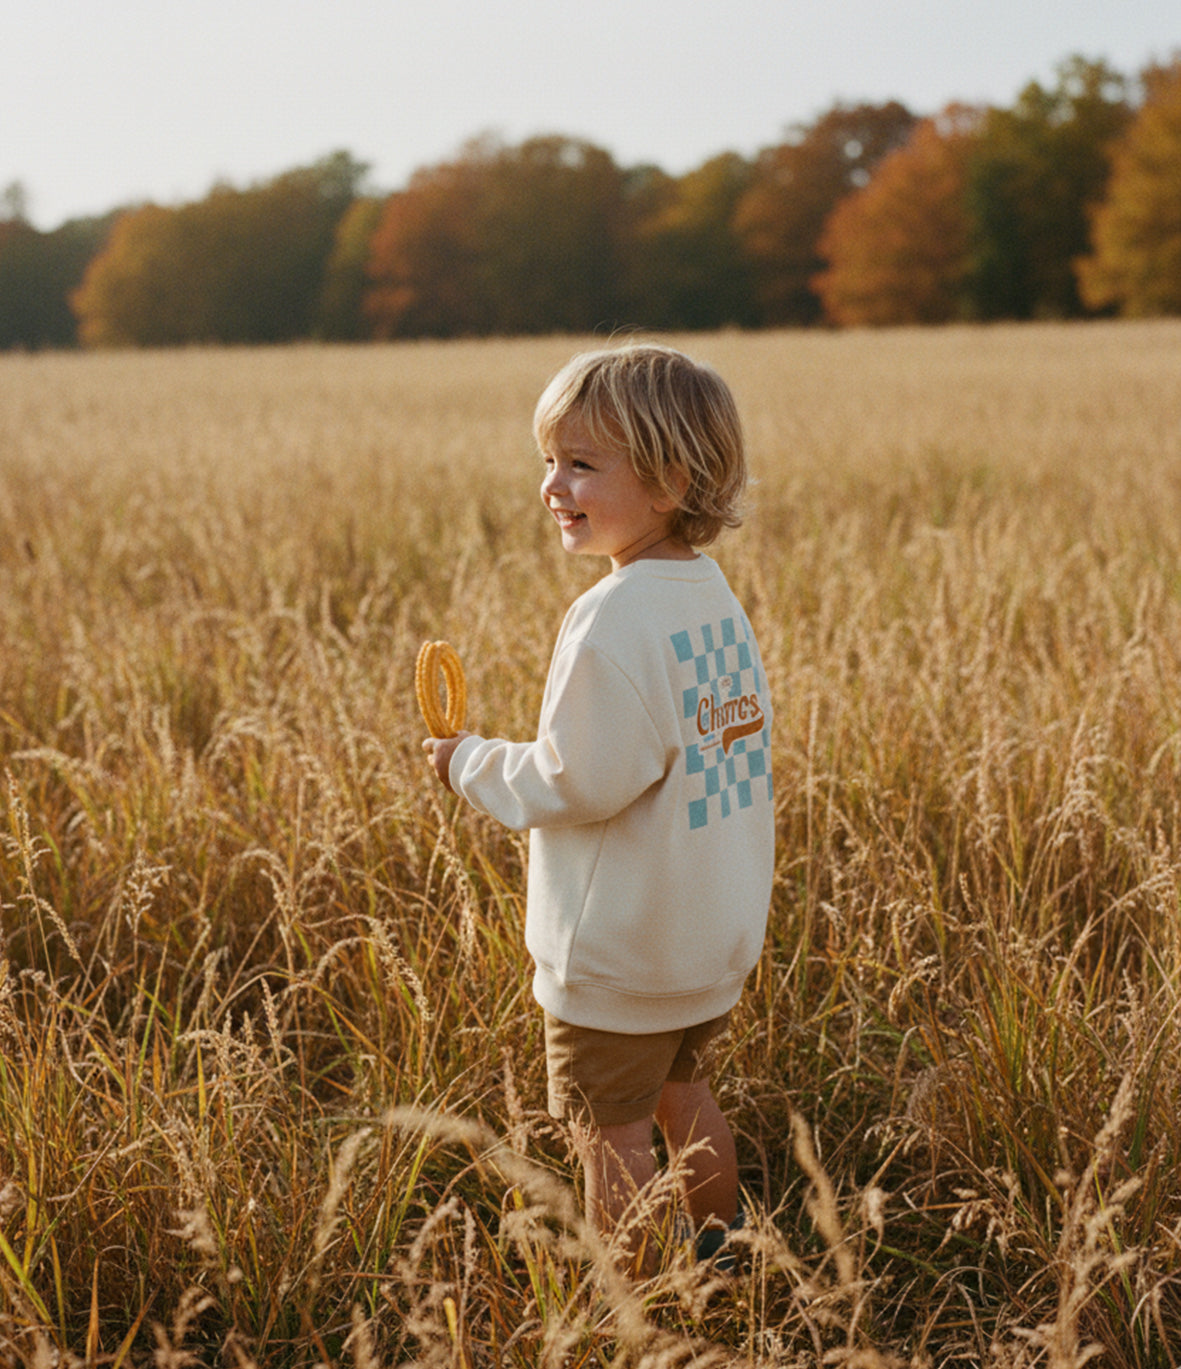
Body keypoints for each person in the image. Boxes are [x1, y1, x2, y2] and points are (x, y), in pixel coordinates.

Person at [422, 344, 774, 1272]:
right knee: (684, 1095)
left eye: (581, 463)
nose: (551, 484)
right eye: (548, 458)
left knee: (606, 1130)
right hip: (706, 936)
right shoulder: (709, 598)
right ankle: (720, 1256)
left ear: (667, 479)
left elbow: (573, 781)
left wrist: (469, 762)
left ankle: (637, 1300)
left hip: (622, 949)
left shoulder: (612, 616)